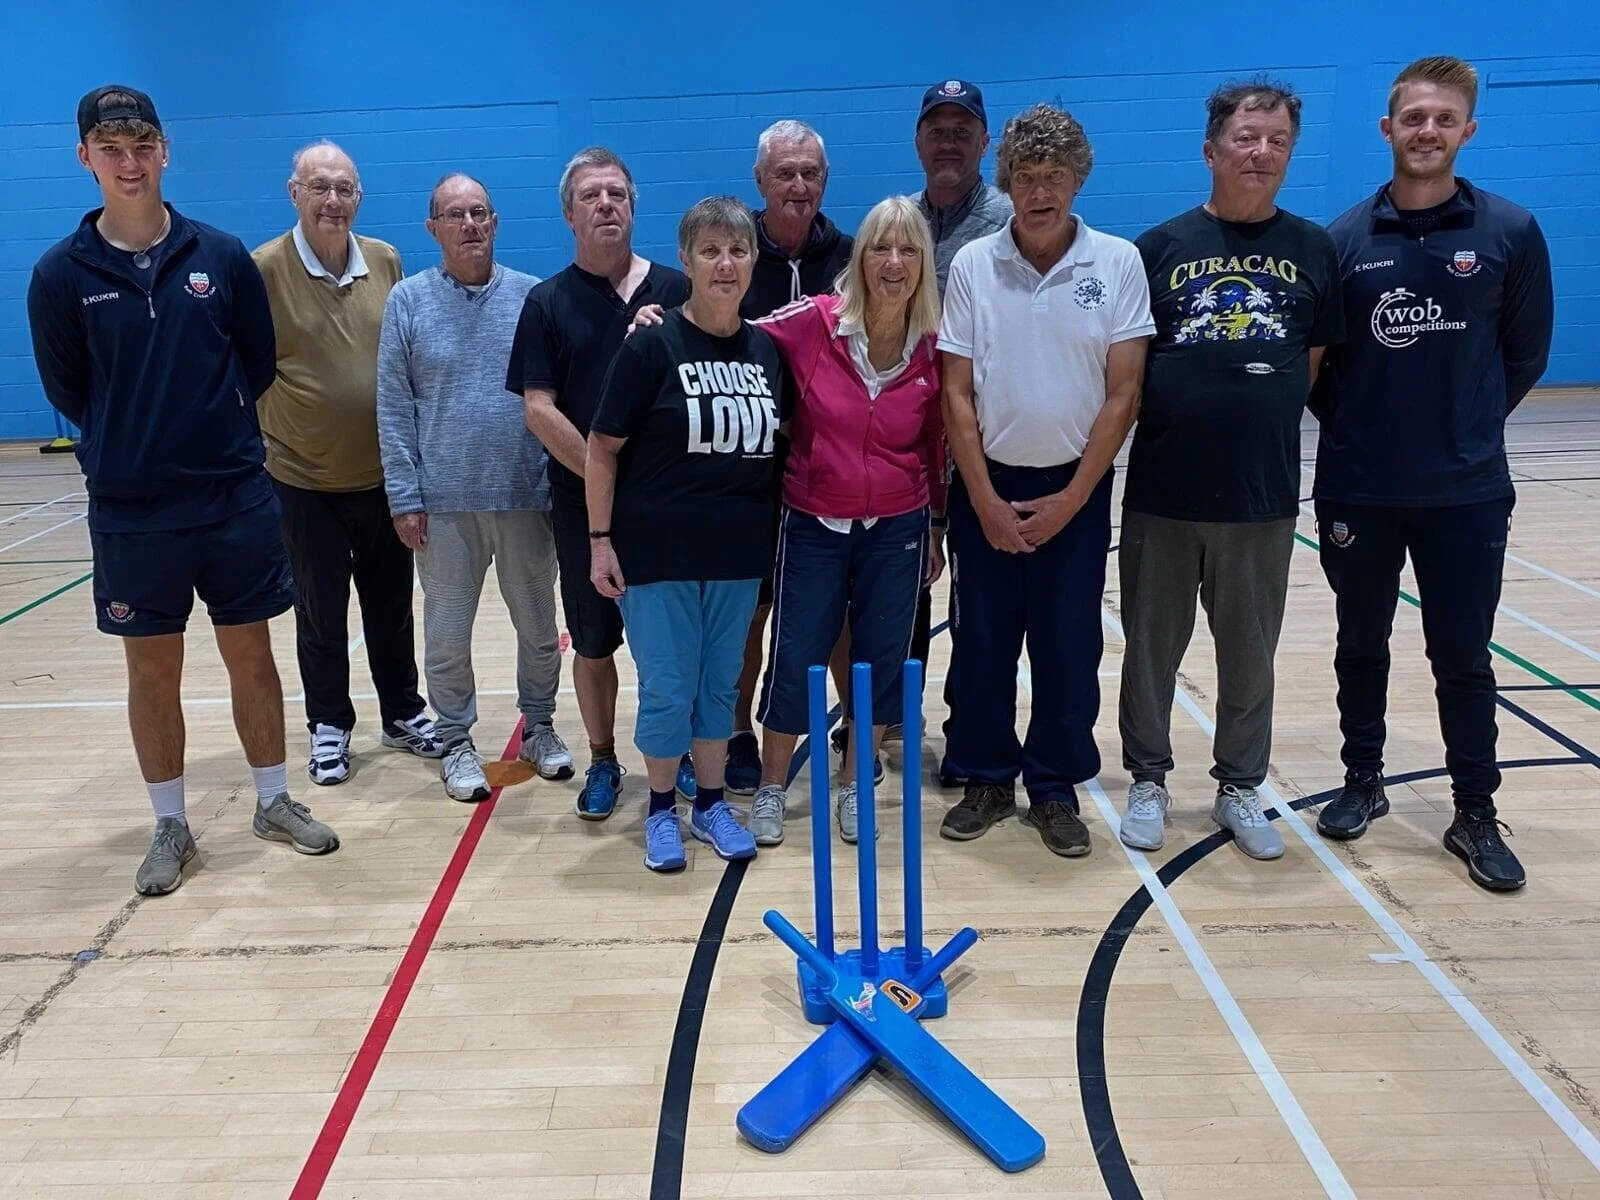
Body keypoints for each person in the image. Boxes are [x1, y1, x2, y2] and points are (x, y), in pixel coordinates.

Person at [25, 85, 339, 896]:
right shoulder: (61, 275)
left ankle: (274, 801)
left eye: (142, 148)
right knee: (152, 670)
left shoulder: (221, 256)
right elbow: (68, 386)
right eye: (111, 151)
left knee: (251, 653)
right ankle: (170, 823)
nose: (129, 165)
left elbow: (256, 362)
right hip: (133, 512)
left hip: (232, 496)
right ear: (86, 159)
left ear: (164, 152)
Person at [1310, 56, 1554, 892]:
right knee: (1359, 645)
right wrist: (1358, 434)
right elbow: (1319, 372)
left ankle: (1475, 812)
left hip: (1466, 493)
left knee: (1464, 656)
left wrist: (1468, 428)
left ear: (1467, 131)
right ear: (1387, 129)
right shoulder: (1341, 242)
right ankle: (1362, 781)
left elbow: (1525, 355)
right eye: (1413, 117)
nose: (1426, 131)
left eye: (1443, 119)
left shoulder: (1509, 233)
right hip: (1360, 490)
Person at [1117, 78, 1344, 860]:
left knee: (1250, 652)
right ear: (1212, 150)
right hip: (1163, 492)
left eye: (1277, 140)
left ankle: (1240, 786)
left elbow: (1309, 364)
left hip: (1262, 496)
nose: (1262, 152)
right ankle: (1148, 778)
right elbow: (1130, 372)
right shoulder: (1158, 249)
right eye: (1247, 137)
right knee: (1150, 647)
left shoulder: (1316, 249)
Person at [938, 104, 1154, 858]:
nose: (1040, 191)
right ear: (1008, 182)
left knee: (1068, 643)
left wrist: (1074, 498)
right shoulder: (972, 265)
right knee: (983, 642)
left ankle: (1055, 788)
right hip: (984, 481)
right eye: (1026, 177)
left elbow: (1123, 393)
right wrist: (986, 500)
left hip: (1077, 485)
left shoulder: (1118, 263)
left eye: (1054, 176)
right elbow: (956, 392)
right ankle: (987, 777)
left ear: (1077, 178)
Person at [586, 196, 788, 872]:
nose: (725, 264)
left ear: (753, 259)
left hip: (736, 558)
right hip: (657, 556)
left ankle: (708, 806)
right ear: (687, 261)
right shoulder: (651, 344)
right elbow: (602, 447)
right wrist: (600, 539)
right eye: (710, 251)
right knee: (669, 686)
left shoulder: (767, 351)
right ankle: (661, 811)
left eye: (736, 250)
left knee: (718, 687)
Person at [747, 196, 946, 846]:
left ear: (923, 264)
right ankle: (774, 786)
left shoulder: (935, 347)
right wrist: (664, 323)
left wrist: (937, 529)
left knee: (881, 658)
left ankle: (855, 784)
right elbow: (734, 330)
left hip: (899, 527)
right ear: (860, 261)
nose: (894, 262)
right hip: (812, 522)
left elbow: (938, 443)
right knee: (797, 652)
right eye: (880, 249)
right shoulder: (812, 323)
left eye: (907, 249)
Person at [377, 174, 571, 802]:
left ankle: (539, 726)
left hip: (524, 499)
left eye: (479, 213)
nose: (469, 225)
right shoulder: (406, 301)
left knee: (540, 626)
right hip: (445, 506)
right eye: (454, 215)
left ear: (495, 222)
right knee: (447, 634)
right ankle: (456, 739)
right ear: (432, 228)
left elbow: (555, 399)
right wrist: (404, 497)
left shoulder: (532, 297)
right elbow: (393, 405)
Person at [509, 148, 691, 819]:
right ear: (568, 212)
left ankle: (676, 763)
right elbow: (537, 407)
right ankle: (605, 759)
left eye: (617, 193)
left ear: (634, 207)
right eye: (591, 195)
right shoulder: (547, 302)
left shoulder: (676, 291)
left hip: (671, 508)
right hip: (584, 509)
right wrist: (606, 479)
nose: (605, 204)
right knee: (592, 639)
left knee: (671, 644)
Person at [254, 141, 442, 786]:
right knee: (320, 609)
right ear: (295, 192)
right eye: (320, 187)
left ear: (358, 196)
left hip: (383, 476)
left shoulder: (385, 261)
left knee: (391, 606)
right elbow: (244, 371)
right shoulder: (264, 270)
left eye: (345, 188)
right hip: (304, 479)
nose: (333, 200)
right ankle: (328, 725)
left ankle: (402, 713)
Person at [725, 119, 855, 795]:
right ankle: (740, 732)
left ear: (824, 180)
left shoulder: (854, 257)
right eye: (785, 173)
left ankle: (855, 733)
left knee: (835, 612)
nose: (798, 185)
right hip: (748, 473)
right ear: (760, 181)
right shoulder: (732, 253)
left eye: (809, 173)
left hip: (832, 470)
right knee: (749, 613)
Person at [909, 79, 1013, 777]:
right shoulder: (900, 224)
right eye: (936, 128)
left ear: (984, 140)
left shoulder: (1010, 220)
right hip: (912, 448)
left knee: (979, 611)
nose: (948, 139)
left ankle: (970, 736)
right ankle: (894, 722)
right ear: (919, 140)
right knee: (905, 601)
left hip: (987, 445)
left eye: (961, 128)